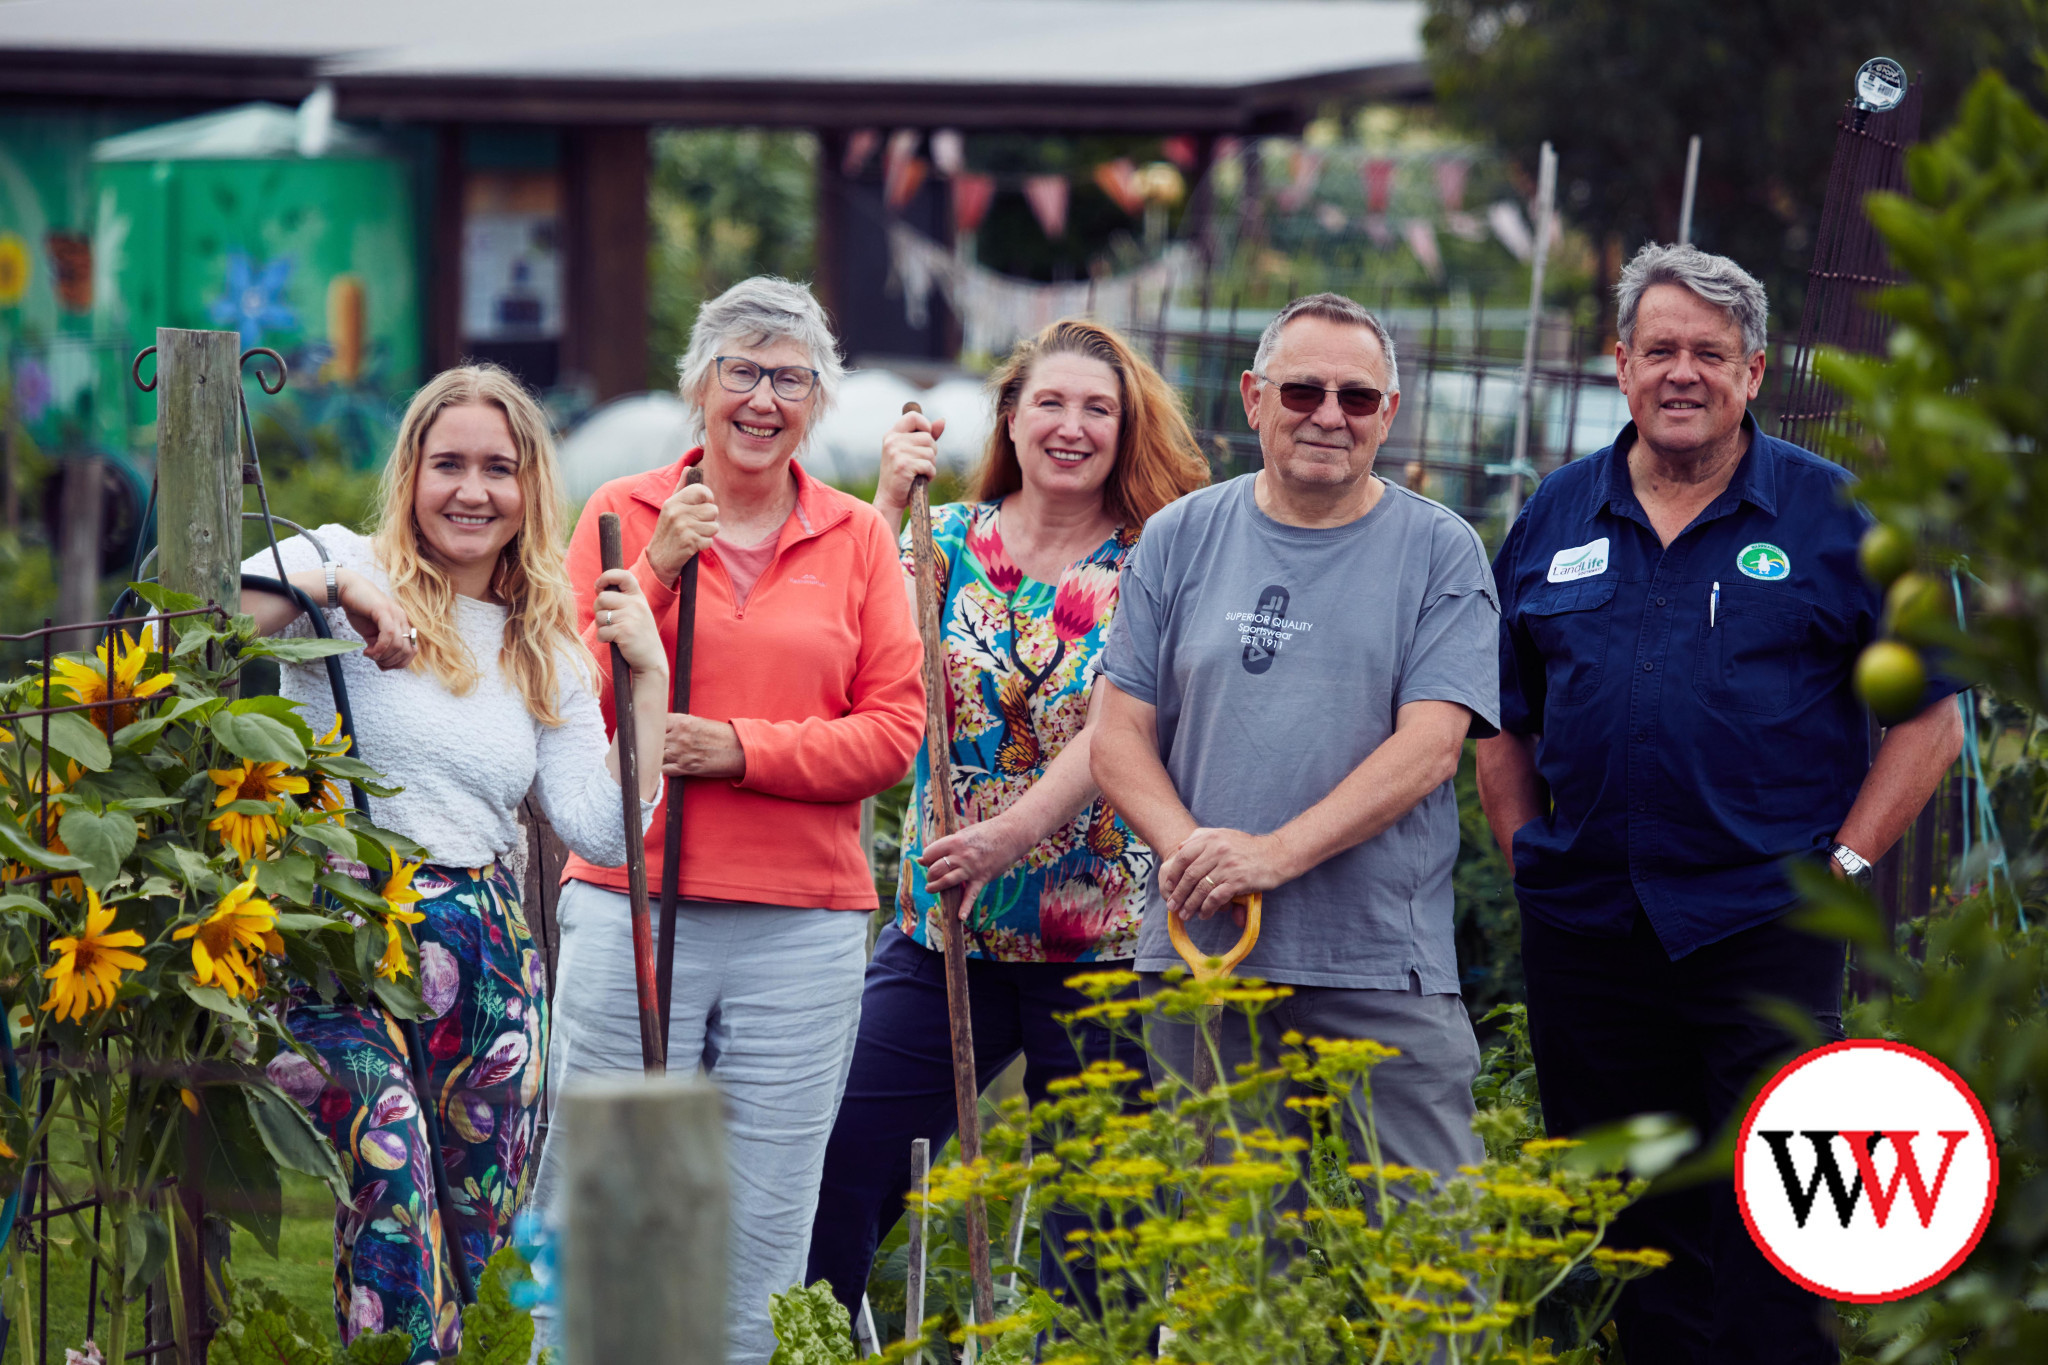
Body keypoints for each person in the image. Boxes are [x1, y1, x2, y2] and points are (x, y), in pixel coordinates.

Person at [1474, 243, 1965, 1363]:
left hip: (1763, 928)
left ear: (1752, 372)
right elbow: (1497, 717)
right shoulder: (1554, 518)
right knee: (1622, 1237)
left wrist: (1839, 868)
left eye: (1708, 352)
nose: (1680, 373)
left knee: (1774, 1232)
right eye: (1659, 350)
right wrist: (1524, 861)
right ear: (1619, 364)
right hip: (1588, 938)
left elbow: (1927, 715)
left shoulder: (1838, 516)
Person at [531, 276, 925, 1365]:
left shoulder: (853, 540)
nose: (761, 398)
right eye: (740, 372)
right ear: (698, 385)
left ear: (816, 402)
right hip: (630, 905)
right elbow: (566, 693)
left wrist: (738, 749)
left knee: (765, 1210)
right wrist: (656, 570)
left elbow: (893, 732)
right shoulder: (618, 511)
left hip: (797, 924)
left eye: (788, 378)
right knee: (596, 1184)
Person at [244, 364, 667, 1363]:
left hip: (486, 958)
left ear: (528, 489)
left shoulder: (542, 644)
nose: (472, 490)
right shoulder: (338, 563)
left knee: (477, 1244)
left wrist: (641, 679)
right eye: (448, 465)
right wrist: (335, 585)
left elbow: (600, 832)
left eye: (496, 467)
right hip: (339, 938)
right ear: (411, 474)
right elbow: (203, 622)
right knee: (388, 1189)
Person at [806, 319, 1210, 1322]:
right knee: (839, 1165)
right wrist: (884, 504)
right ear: (1011, 419)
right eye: (1050, 404)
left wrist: (1009, 836)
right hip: (947, 930)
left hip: (1102, 937)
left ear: (1125, 431)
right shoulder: (938, 539)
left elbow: (1123, 717)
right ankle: (808, 1338)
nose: (1071, 427)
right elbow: (854, 663)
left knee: (1095, 1230)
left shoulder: (1155, 556)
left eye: (1096, 409)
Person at [1092, 292, 1501, 1182]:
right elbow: (1118, 733)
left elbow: (1431, 746)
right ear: (1252, 397)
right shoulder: (1179, 536)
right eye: (1302, 390)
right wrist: (1198, 856)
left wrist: (1271, 857)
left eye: (1357, 398)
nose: (1328, 415)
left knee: (1431, 1257)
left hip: (1378, 959)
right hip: (1207, 954)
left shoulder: (1441, 550)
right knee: (1231, 1277)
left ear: (1387, 414)